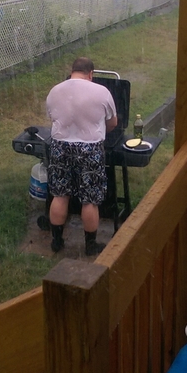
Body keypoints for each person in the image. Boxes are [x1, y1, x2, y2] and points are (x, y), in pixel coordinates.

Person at [45, 57, 117, 256]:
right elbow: (113, 123)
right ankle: (90, 245)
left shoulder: (55, 90)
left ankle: (57, 241)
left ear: (72, 71)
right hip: (90, 149)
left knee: (60, 194)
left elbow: (52, 118)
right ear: (91, 74)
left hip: (60, 146)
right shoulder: (102, 92)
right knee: (89, 200)